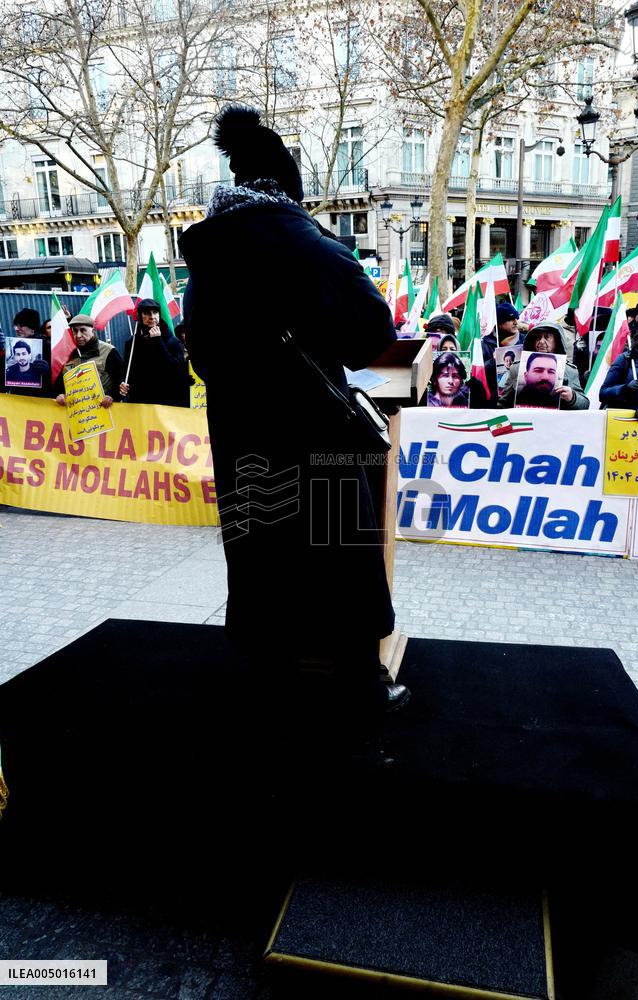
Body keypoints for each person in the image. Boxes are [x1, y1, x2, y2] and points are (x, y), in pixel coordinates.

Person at [179, 104, 408, 718]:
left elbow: (197, 349)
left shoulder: (205, 255)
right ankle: (359, 686)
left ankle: (269, 683)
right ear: (288, 187)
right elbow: (372, 330)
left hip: (241, 432)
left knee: (260, 550)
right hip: (315, 430)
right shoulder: (303, 239)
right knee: (340, 548)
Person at [499, 321, 589, 410]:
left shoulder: (569, 370)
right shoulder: (516, 368)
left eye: (547, 337)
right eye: (538, 338)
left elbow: (584, 404)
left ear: (557, 341)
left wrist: (572, 396)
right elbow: (503, 403)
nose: (541, 341)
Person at [120, 299, 190, 406]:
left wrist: (157, 342)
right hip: (142, 402)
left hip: (167, 402)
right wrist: (123, 384)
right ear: (140, 316)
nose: (152, 317)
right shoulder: (132, 342)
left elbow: (174, 370)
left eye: (155, 312)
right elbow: (127, 370)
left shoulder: (172, 341)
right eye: (147, 313)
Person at [52, 314, 124, 407]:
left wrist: (112, 396)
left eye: (83, 330)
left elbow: (121, 378)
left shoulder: (108, 351)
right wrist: (59, 394)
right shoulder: (68, 353)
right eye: (75, 331)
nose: (78, 335)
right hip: (75, 411)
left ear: (93, 331)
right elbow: (59, 382)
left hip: (102, 409)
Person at [481, 302, 524, 404]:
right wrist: (493, 362)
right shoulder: (485, 344)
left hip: (518, 399)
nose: (515, 322)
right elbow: (479, 373)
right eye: (510, 319)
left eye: (516, 318)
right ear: (500, 324)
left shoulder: (525, 341)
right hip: (494, 400)